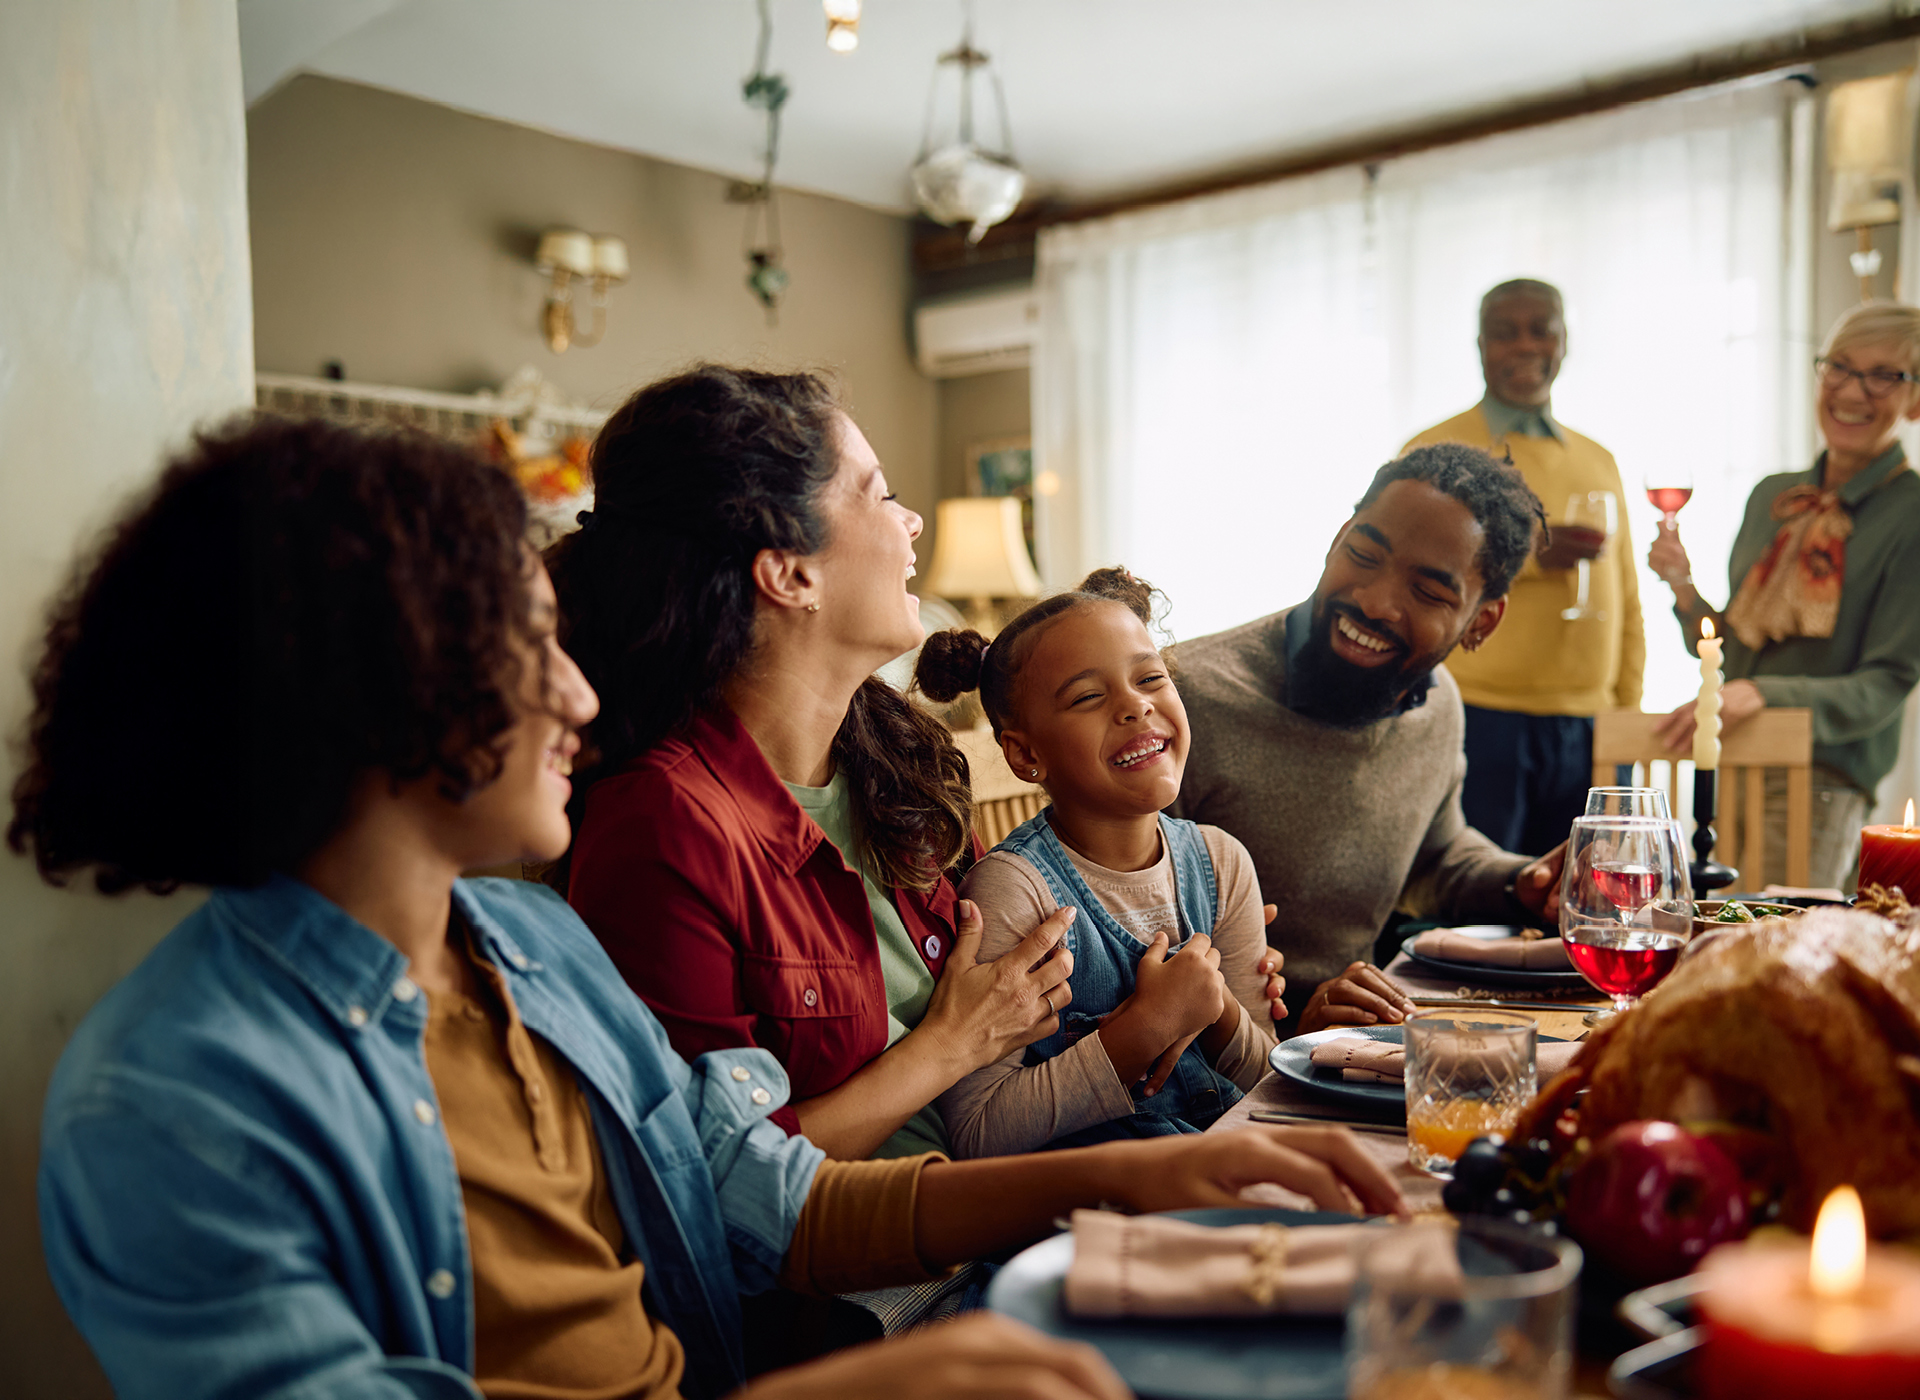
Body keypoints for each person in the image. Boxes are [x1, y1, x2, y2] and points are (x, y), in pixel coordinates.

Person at [17, 415, 1406, 1400]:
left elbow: (767, 1202)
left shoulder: (527, 950)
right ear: (369, 687)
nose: (577, 694)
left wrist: (1132, 1173)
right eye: (526, 650)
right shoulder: (179, 1101)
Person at [552, 367, 1283, 1164]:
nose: (912, 523)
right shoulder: (660, 827)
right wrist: (952, 1045)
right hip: (889, 1277)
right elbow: (714, 1185)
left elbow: (1019, 988)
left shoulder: (892, 763)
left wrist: (1188, 980)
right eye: (878, 494)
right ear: (791, 574)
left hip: (1002, 1205)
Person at [1175, 443, 1566, 1037]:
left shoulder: (1438, 705)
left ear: (1481, 622)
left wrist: (1525, 883)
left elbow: (1434, 858)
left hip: (1350, 1041)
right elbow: (1120, 945)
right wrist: (1281, 1027)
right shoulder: (1182, 698)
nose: (1375, 601)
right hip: (1217, 1067)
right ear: (1337, 538)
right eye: (1363, 554)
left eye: (1430, 593)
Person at [915, 569, 1277, 1158]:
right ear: (1026, 754)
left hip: (1226, 1179)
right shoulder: (1014, 892)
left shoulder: (1223, 863)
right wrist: (1143, 1031)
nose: (1135, 705)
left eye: (1151, 678)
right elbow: (977, 1133)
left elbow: (1270, 1084)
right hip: (1081, 1217)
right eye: (1088, 697)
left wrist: (1219, 1011)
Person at [1648, 301, 1920, 891]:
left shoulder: (1912, 513)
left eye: (1884, 375)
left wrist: (1761, 694)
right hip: (1729, 769)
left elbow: (1886, 686)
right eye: (1840, 367)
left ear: (1915, 400)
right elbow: (1731, 659)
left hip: (1820, 783)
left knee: (1769, 958)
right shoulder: (1772, 496)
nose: (1853, 390)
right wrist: (1683, 586)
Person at [1403, 278, 1644, 856]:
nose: (1524, 346)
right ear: (1480, 345)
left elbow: (1628, 595)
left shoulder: (1598, 458)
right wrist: (1530, 556)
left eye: (1542, 330)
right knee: (1475, 906)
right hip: (1476, 716)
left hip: (1591, 725)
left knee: (1590, 903)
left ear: (1565, 341)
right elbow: (1409, 575)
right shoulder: (1435, 449)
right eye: (1505, 333)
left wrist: (1624, 714)